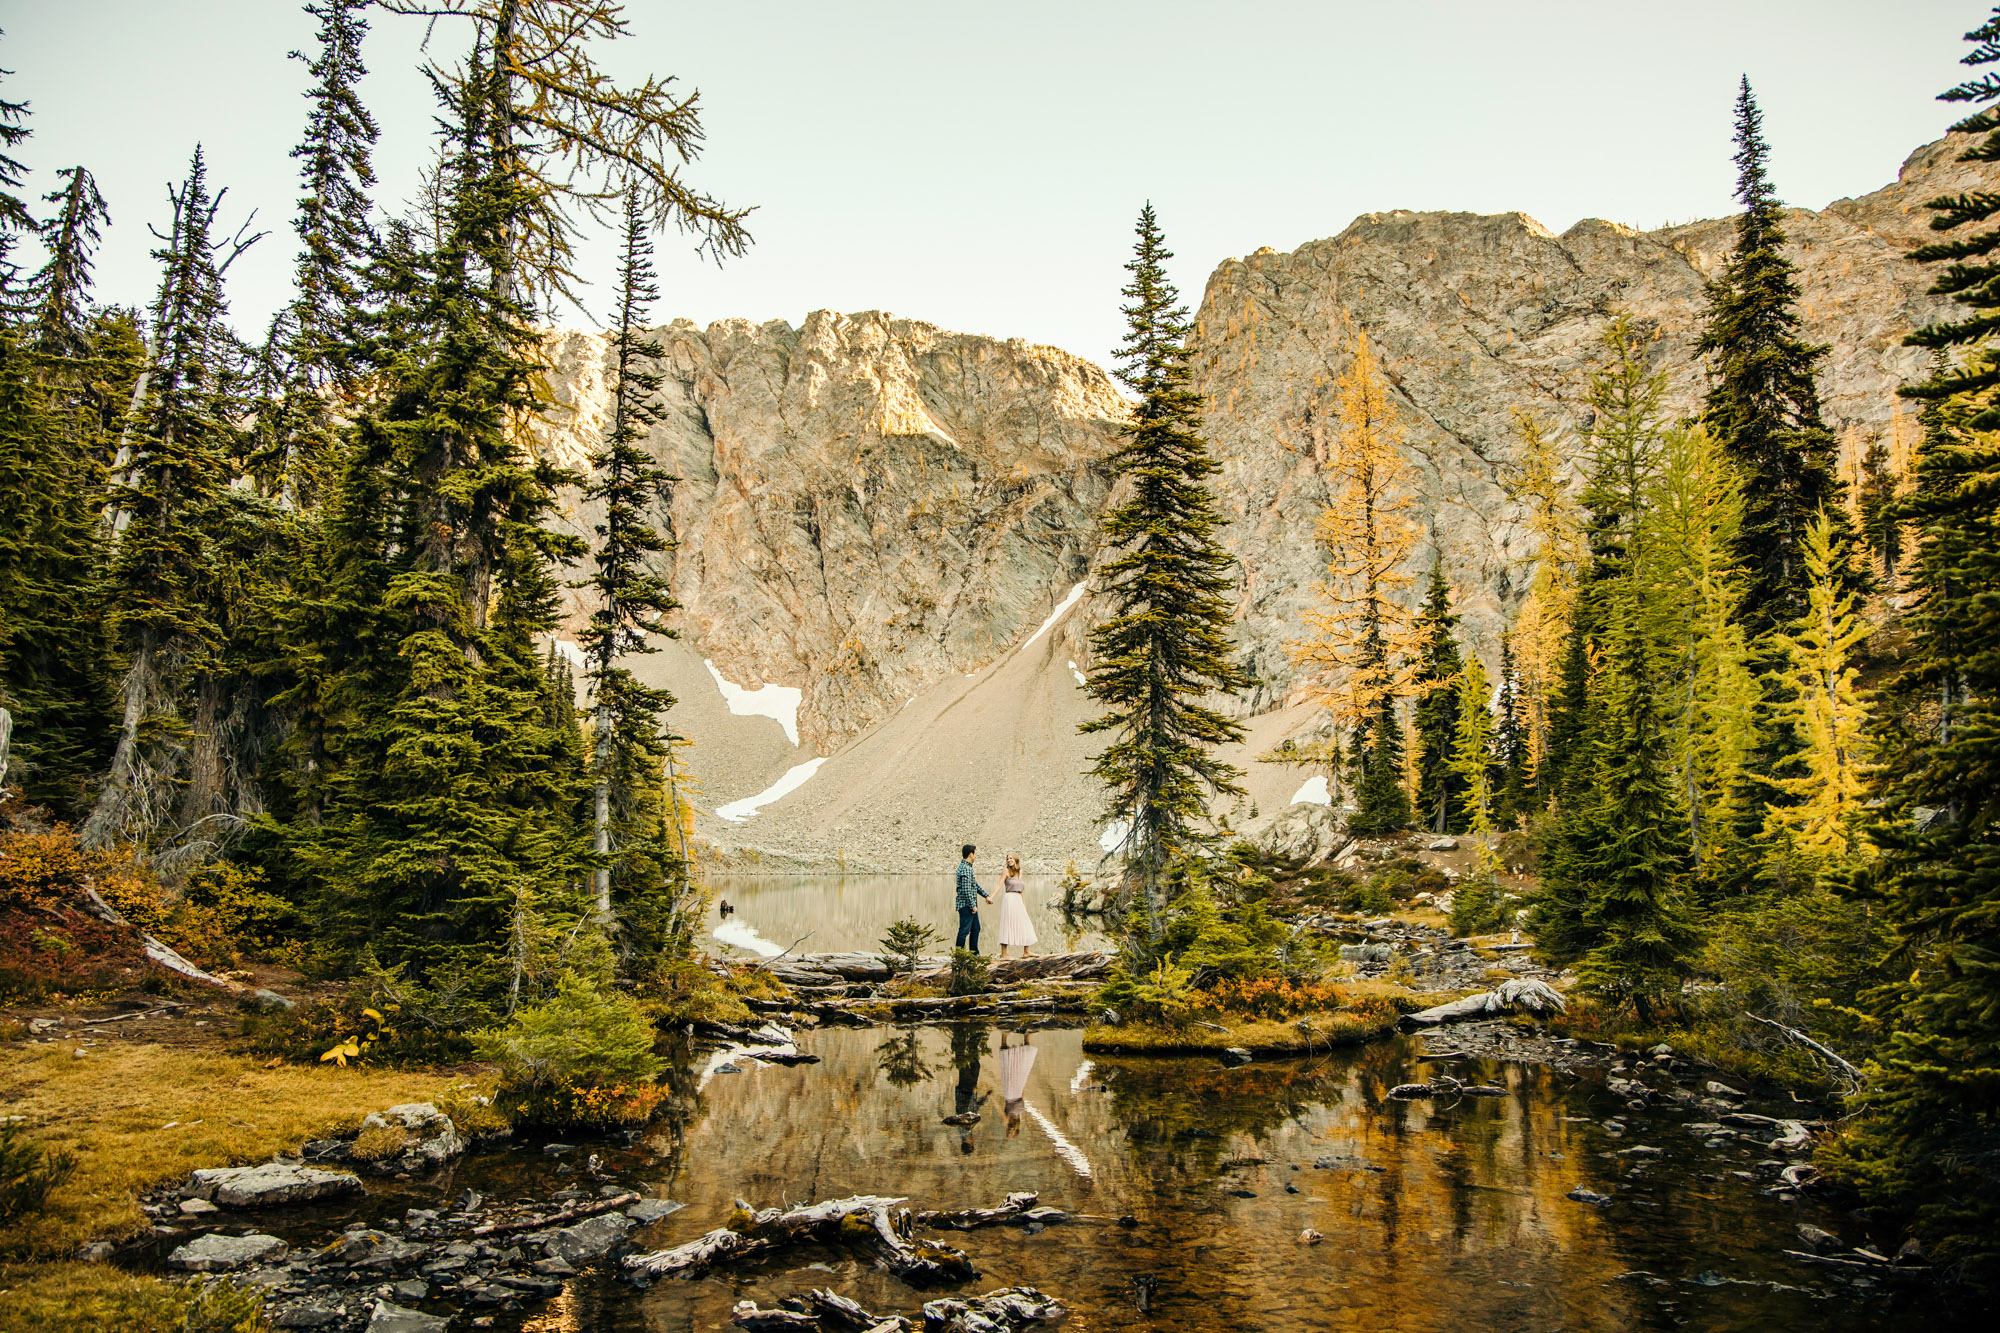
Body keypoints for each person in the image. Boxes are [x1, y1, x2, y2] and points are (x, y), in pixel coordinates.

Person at [995, 853, 1037, 959]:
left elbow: (1022, 890)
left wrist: (1024, 905)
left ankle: (1026, 951)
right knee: (1007, 923)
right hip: (1009, 899)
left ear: (1016, 860)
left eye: (1011, 858)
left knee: (1025, 922)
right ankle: (1004, 954)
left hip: (1018, 899)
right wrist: (991, 896)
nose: (1009, 860)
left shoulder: (1020, 872)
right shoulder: (1006, 871)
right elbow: (999, 884)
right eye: (1007, 859)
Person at [955, 844, 990, 952]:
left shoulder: (967, 867)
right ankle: (959, 956)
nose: (975, 856)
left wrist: (986, 895)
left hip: (970, 905)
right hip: (967, 906)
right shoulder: (965, 869)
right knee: (964, 931)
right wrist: (972, 906)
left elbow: (974, 885)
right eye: (975, 854)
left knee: (976, 929)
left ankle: (973, 954)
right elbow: (966, 890)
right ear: (971, 854)